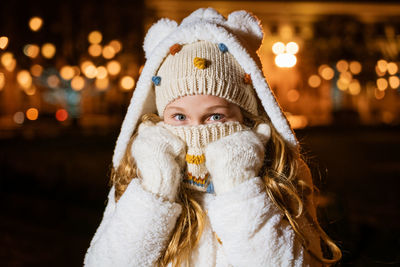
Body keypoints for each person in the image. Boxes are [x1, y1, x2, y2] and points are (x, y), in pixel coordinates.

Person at [84, 7, 341, 267]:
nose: (196, 130)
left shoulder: (279, 177)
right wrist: (155, 191)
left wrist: (240, 189)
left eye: (215, 116)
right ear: (161, 118)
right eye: (180, 117)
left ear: (246, 117)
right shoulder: (138, 178)